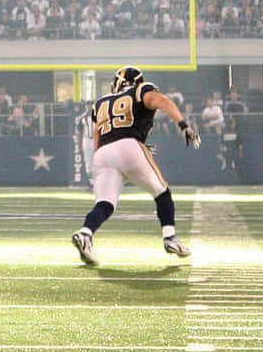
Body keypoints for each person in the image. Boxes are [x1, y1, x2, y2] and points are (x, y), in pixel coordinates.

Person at [72, 67, 200, 266]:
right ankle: (170, 237)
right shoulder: (141, 89)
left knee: (105, 204)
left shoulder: (100, 103)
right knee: (161, 191)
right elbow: (163, 101)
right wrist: (183, 125)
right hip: (128, 146)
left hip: (102, 154)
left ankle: (86, 233)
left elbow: (99, 137)